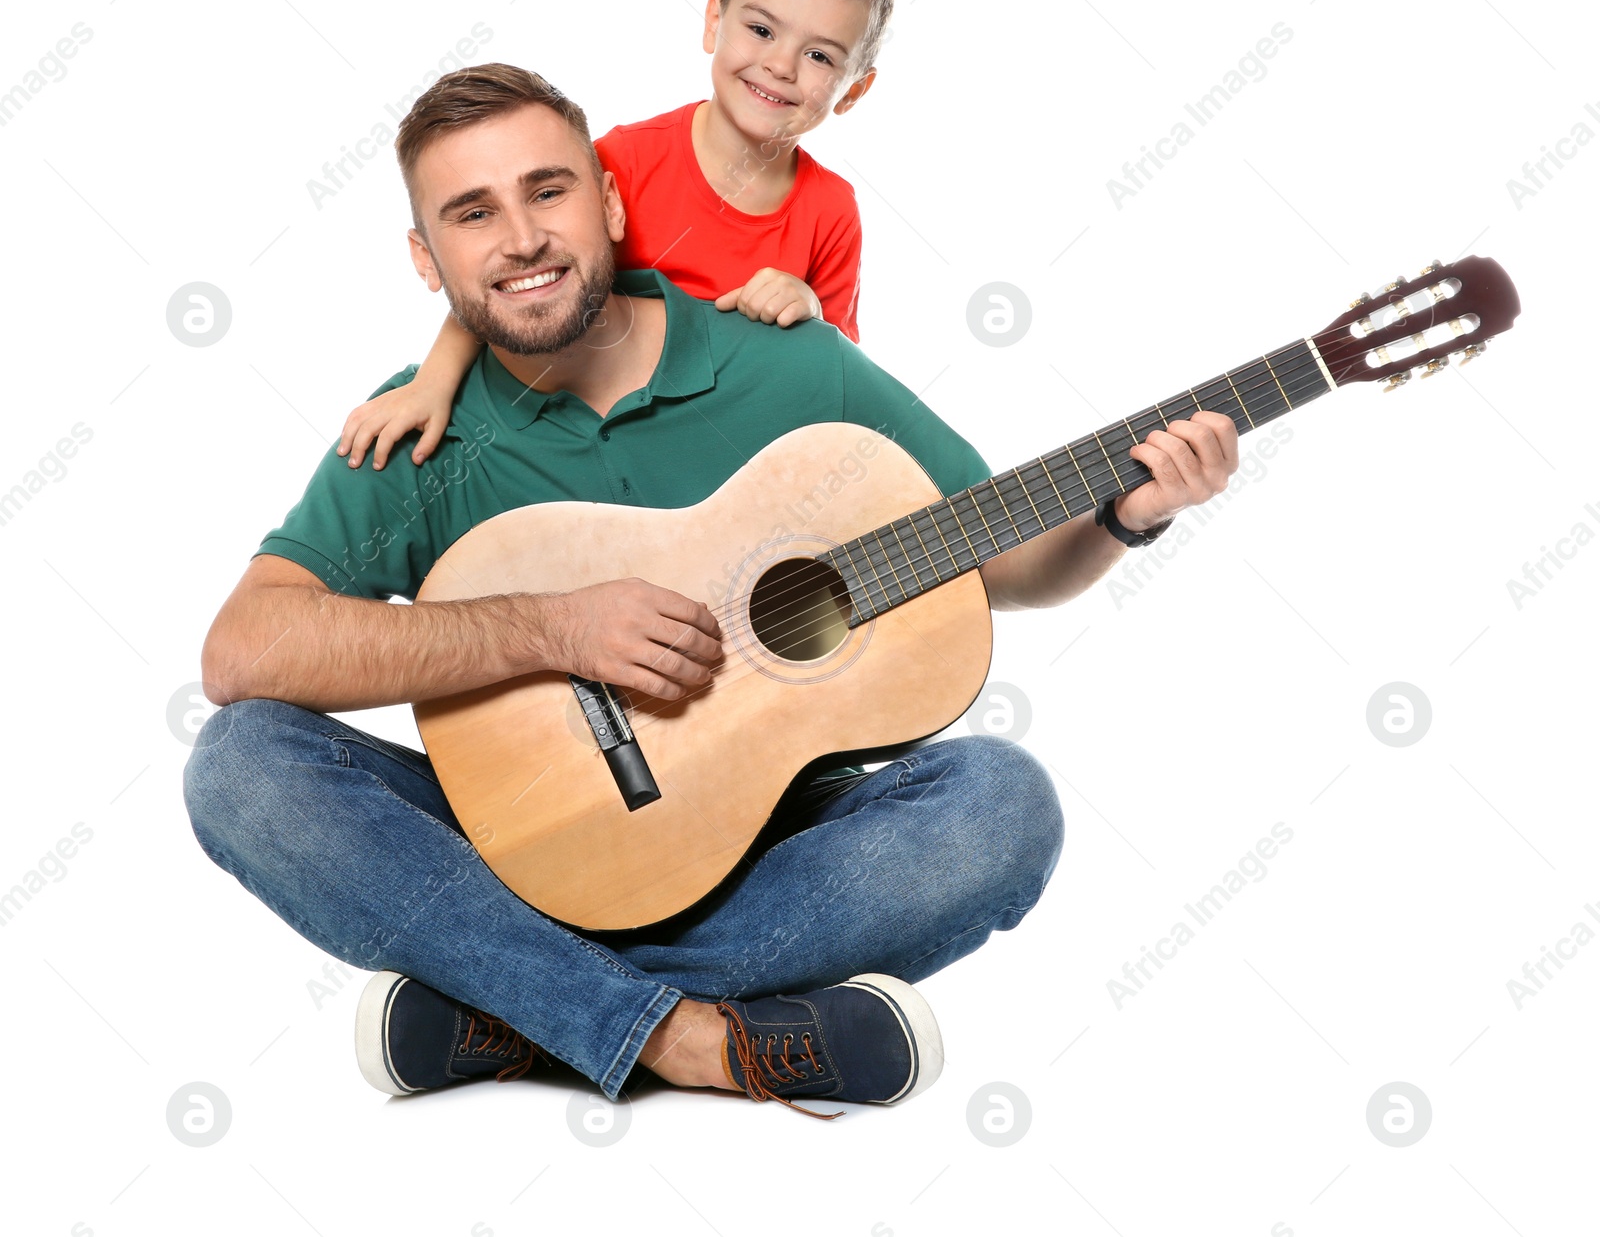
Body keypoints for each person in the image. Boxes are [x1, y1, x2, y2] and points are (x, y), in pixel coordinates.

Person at [185, 63, 1241, 1116]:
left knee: (999, 807)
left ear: (606, 199)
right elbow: (246, 650)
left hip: (764, 846)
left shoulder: (791, 366)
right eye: (473, 212)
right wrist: (556, 627)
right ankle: (691, 1039)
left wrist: (1119, 515)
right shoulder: (418, 428)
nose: (520, 237)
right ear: (428, 259)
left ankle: (516, 1010)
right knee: (239, 764)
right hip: (514, 840)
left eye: (547, 190)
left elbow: (999, 558)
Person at [338, 0, 888, 474]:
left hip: (737, 465)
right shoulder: (621, 162)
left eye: (820, 56)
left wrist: (808, 310)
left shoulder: (832, 210)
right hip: (608, 444)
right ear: (714, 21)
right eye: (762, 30)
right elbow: (513, 270)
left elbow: (838, 377)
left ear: (854, 90)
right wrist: (432, 384)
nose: (779, 65)